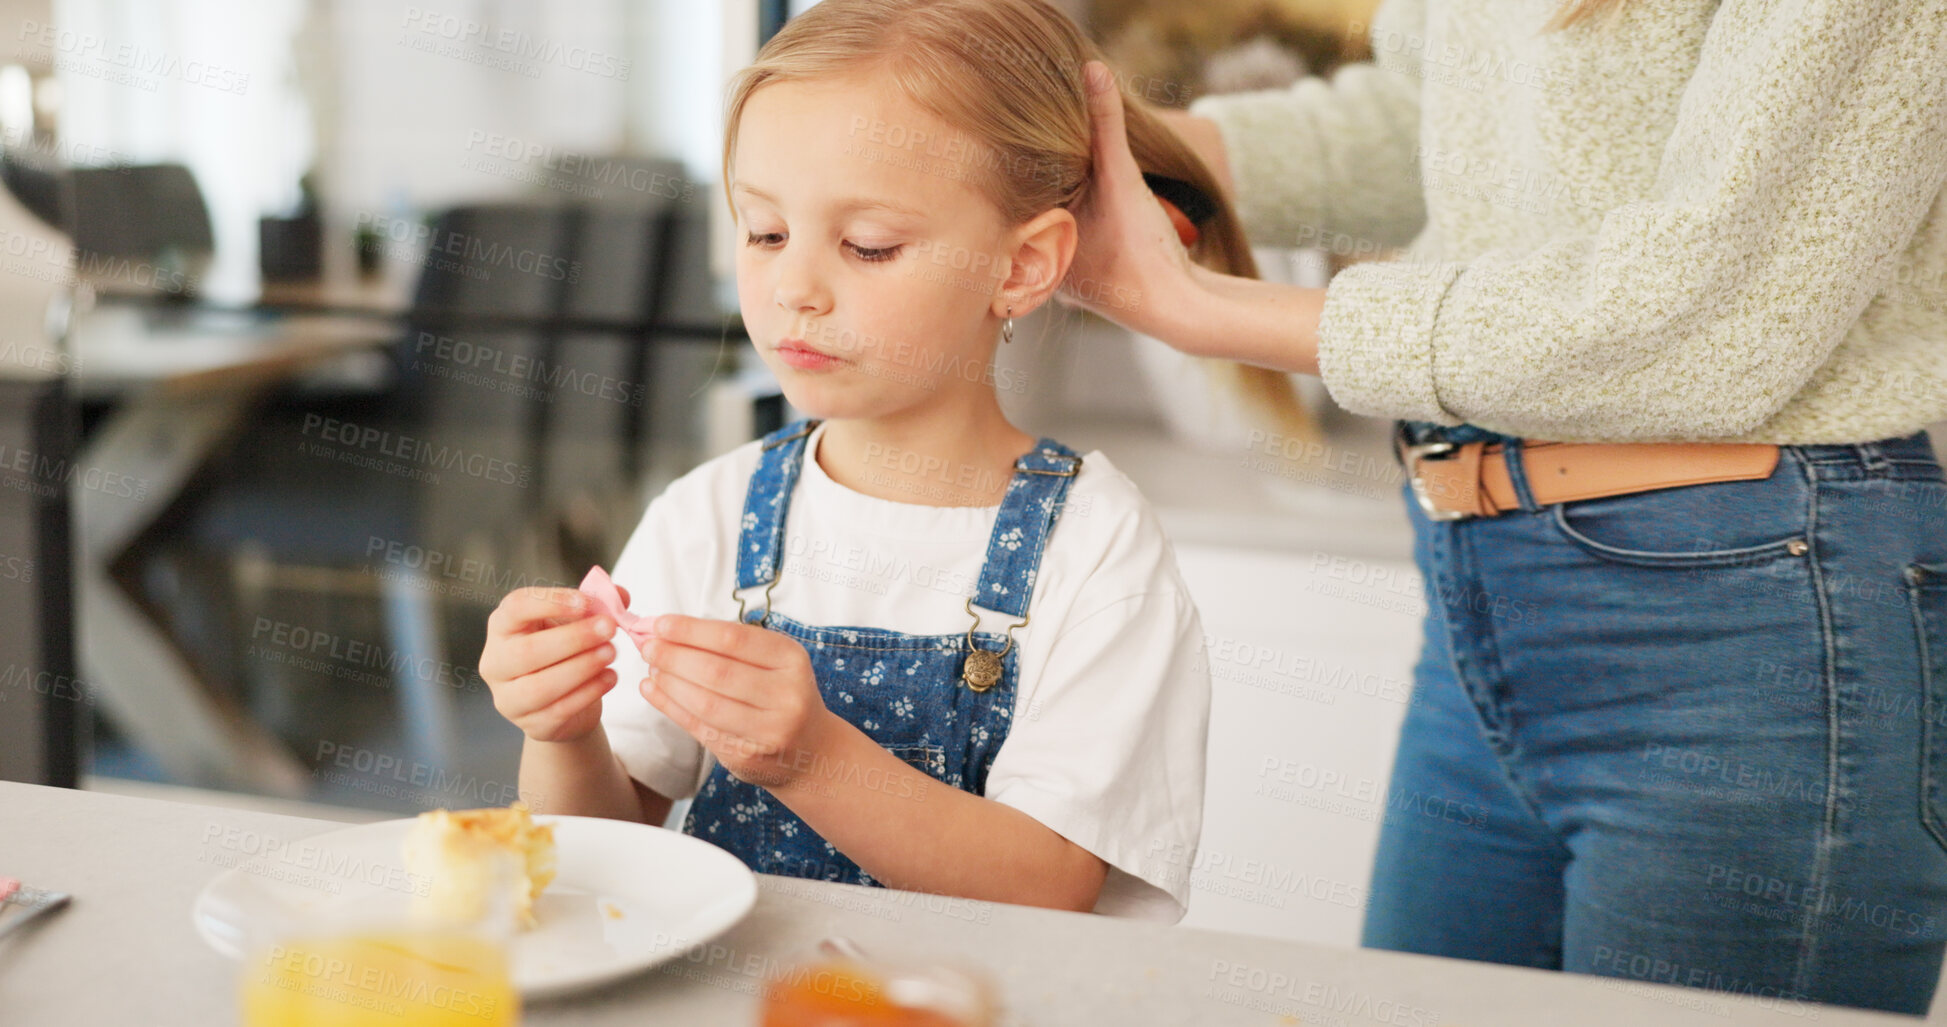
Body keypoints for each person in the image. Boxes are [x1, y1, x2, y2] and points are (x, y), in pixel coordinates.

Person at [1061, 0, 1947, 1012]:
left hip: (1750, 612)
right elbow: (1445, 127)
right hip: (1485, 591)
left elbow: (1714, 314)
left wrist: (1202, 309)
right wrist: (1119, 148)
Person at [477, 0, 1251, 923]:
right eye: (765, 232)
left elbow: (1050, 886)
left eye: (867, 245)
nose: (794, 287)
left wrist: (815, 760)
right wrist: (561, 733)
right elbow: (603, 862)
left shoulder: (1094, 546)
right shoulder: (710, 514)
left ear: (1022, 266)